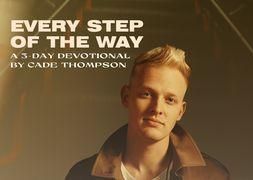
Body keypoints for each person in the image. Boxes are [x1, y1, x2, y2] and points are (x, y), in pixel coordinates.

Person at [66, 45, 230, 180]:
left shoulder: (213, 176)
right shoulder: (81, 175)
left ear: (180, 111)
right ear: (126, 97)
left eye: (170, 100)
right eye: (146, 94)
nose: (157, 109)